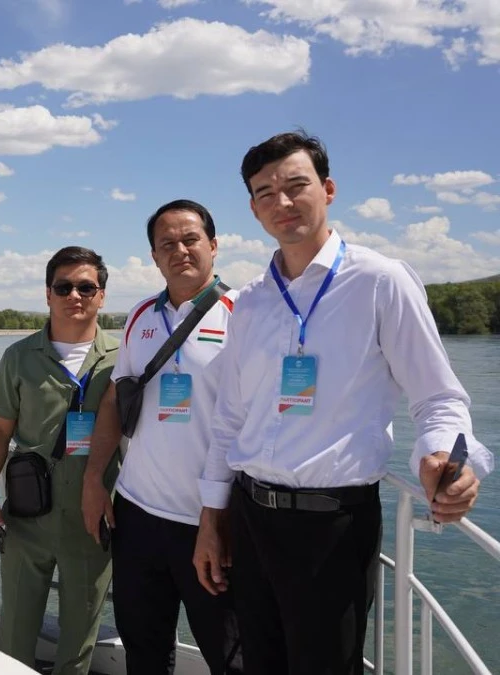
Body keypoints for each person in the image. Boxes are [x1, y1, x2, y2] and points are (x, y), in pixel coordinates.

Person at [193, 131, 494, 674]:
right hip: (250, 515)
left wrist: (445, 457)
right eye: (265, 193)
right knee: (257, 662)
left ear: (328, 189)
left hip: (330, 527)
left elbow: (438, 398)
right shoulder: (252, 301)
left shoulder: (380, 281)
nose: (282, 202)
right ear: (254, 209)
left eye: (296, 185)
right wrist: (212, 517)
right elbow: (230, 417)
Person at [80, 201, 241, 674]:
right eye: (166, 244)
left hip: (209, 520)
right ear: (154, 256)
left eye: (190, 239)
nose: (180, 251)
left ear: (213, 245)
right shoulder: (140, 315)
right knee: (144, 650)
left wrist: (223, 516)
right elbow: (115, 398)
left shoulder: (243, 313)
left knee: (230, 655)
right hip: (138, 515)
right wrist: (95, 480)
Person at [0, 246, 121, 675]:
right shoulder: (19, 357)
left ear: (101, 296)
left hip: (94, 516)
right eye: (63, 287)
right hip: (28, 515)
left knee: (78, 639)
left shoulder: (124, 357)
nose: (74, 295)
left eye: (86, 287)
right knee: (16, 632)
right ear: (47, 294)